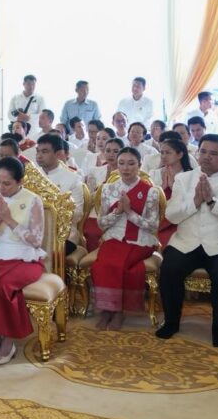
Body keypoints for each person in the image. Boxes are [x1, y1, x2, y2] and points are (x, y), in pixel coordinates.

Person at [157, 135, 218, 347]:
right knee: (170, 268)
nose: (206, 157)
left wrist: (212, 202)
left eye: (213, 153)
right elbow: (171, 215)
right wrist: (195, 202)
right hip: (186, 241)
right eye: (203, 151)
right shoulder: (184, 179)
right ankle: (171, 322)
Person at [0, 157, 46, 365]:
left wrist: (10, 220)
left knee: (4, 286)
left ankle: (8, 340)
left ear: (20, 181)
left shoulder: (33, 200)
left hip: (26, 258)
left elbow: (36, 240)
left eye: (7, 183)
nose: (1, 187)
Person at [90, 147, 160, 330]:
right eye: (121, 163)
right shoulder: (108, 189)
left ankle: (118, 311)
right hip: (114, 237)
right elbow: (101, 223)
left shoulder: (150, 191)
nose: (126, 168)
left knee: (118, 264)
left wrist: (129, 212)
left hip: (140, 240)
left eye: (131, 163)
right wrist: (117, 212)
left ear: (139, 165)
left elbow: (153, 226)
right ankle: (107, 309)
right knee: (101, 265)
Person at [34, 134, 85, 255]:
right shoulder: (31, 177)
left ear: (58, 154)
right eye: (38, 151)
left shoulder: (73, 179)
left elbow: (77, 213)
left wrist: (52, 208)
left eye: (44, 151)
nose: (39, 155)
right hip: (33, 232)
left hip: (63, 235)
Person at [149, 135, 192, 247]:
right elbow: (147, 201)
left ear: (180, 154)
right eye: (162, 152)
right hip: (158, 218)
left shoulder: (190, 175)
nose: (163, 156)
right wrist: (162, 188)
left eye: (168, 153)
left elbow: (191, 202)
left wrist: (173, 186)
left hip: (182, 220)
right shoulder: (154, 174)